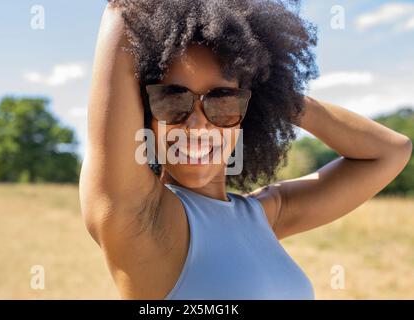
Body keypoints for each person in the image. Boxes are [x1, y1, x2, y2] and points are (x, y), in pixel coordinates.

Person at [79, 0, 412, 299]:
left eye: (223, 102)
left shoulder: (264, 214)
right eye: (172, 100)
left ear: (244, 116)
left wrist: (273, 94)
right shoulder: (139, 219)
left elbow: (390, 152)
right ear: (145, 117)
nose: (197, 126)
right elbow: (123, 12)